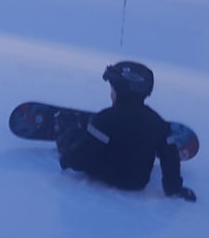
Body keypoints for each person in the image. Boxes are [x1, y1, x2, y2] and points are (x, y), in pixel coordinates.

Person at [55, 60, 196, 202]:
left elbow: (86, 156)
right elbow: (169, 157)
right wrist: (174, 188)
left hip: (105, 174)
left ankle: (68, 137)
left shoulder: (105, 119)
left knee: (79, 137)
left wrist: (67, 160)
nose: (111, 95)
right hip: (138, 182)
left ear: (121, 92)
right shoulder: (158, 123)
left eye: (113, 90)